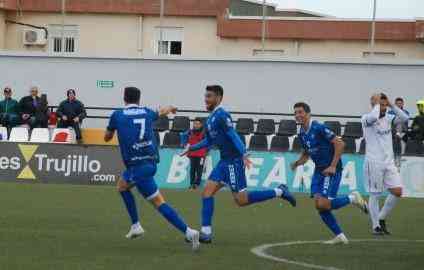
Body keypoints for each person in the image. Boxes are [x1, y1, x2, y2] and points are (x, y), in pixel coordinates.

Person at [181, 85, 296, 244]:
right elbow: (209, 140)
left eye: (210, 96)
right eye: (205, 96)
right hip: (223, 162)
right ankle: (206, 233)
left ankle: (280, 191)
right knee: (207, 192)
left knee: (241, 200)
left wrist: (243, 153)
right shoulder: (210, 119)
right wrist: (191, 147)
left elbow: (232, 134)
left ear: (219, 98)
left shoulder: (222, 115)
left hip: (234, 162)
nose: (206, 99)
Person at [104, 86, 200, 251]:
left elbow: (107, 137)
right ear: (139, 99)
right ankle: (188, 232)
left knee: (123, 187)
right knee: (157, 201)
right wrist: (171, 107)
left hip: (137, 166)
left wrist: (113, 132)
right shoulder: (147, 112)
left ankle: (137, 225)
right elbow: (161, 111)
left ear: (124, 98)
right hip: (150, 163)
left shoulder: (117, 115)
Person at [291, 102, 368, 245]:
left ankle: (353, 198)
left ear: (308, 113)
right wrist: (297, 162)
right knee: (319, 205)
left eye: (300, 112)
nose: (297, 115)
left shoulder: (318, 128)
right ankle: (339, 236)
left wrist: (332, 166)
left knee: (324, 203)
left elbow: (340, 144)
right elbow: (307, 153)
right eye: (295, 113)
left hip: (331, 170)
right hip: (319, 171)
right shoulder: (301, 133)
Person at [362, 93, 409, 235]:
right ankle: (375, 226)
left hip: (389, 162)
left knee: (397, 191)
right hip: (373, 162)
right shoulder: (366, 118)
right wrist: (377, 105)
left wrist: (391, 104)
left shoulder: (389, 118)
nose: (383, 108)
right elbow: (374, 117)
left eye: (383, 105)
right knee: (375, 194)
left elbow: (405, 118)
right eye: (379, 105)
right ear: (373, 105)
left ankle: (381, 217)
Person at [181, 118, 208, 189]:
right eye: (195, 124)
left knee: (199, 170)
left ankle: (197, 184)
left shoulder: (204, 133)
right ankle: (192, 184)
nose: (196, 125)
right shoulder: (189, 132)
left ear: (201, 125)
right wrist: (184, 144)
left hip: (201, 155)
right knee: (192, 169)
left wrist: (207, 150)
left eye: (197, 124)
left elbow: (209, 141)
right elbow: (183, 135)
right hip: (192, 154)